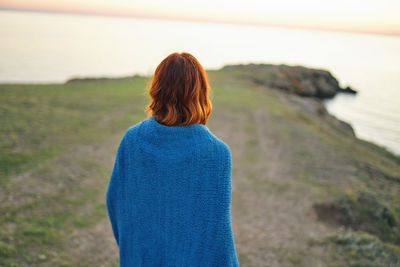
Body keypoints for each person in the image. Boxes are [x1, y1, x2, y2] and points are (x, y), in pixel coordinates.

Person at [106, 52, 240, 266]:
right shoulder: (217, 153)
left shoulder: (132, 140)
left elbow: (115, 203)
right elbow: (217, 237)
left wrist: (134, 248)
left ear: (157, 89)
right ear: (200, 93)